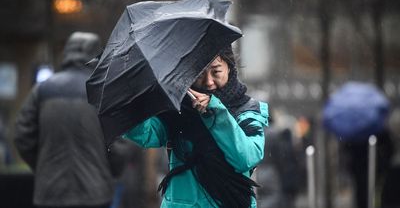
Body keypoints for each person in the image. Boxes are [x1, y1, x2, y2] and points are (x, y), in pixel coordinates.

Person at [122, 46, 269, 208]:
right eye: (200, 73)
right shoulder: (177, 109)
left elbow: (246, 158)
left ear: (230, 67)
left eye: (216, 72)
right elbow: (147, 134)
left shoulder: (247, 110)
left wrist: (215, 112)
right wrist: (130, 102)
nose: (208, 81)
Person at [14, 32, 114, 208]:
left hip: (50, 192)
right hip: (94, 194)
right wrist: (106, 169)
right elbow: (120, 141)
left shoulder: (43, 90)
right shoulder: (103, 93)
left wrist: (44, 165)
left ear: (67, 53)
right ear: (97, 55)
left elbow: (22, 134)